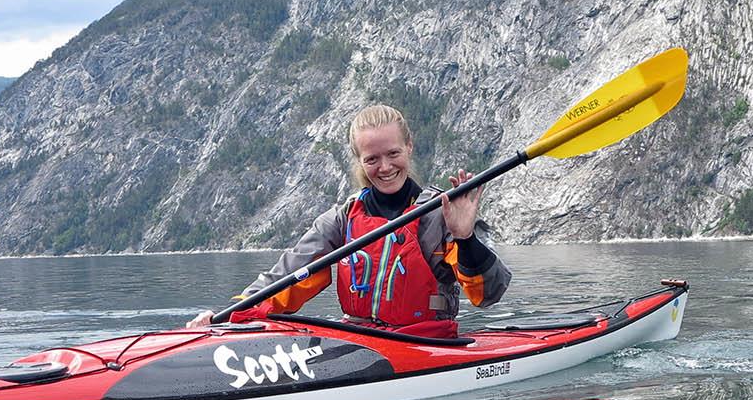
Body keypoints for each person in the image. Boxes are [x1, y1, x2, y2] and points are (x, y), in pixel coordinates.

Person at [186, 104, 511, 337]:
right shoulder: (342, 219)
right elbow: (285, 278)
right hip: (358, 341)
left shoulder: (440, 214)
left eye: (393, 153)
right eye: (372, 158)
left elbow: (488, 295)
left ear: (409, 147)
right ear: (359, 160)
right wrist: (225, 317)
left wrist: (465, 237)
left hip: (427, 343)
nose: (384, 167)